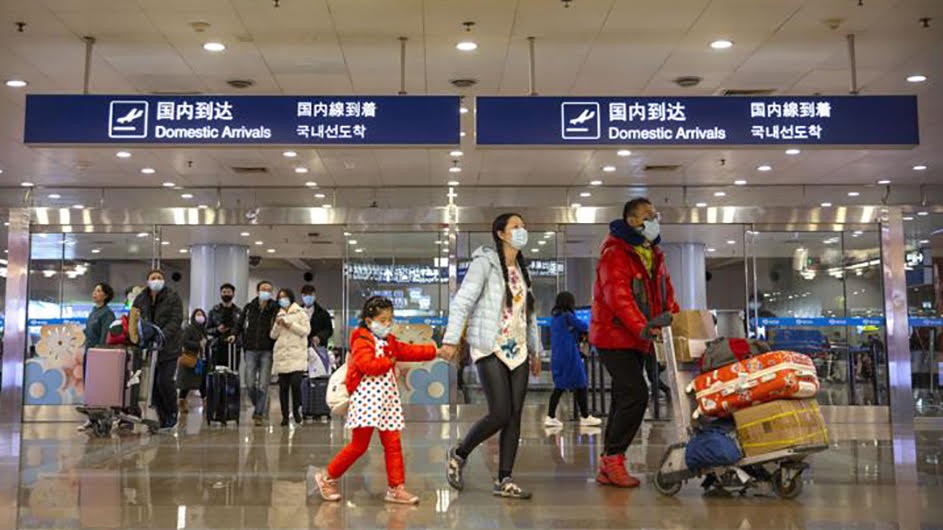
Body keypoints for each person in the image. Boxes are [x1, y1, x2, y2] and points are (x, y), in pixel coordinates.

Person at [441, 212, 542, 500]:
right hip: (489, 347)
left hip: (519, 349)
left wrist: (535, 350)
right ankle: (459, 454)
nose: (522, 230)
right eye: (516, 227)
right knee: (499, 412)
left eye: (524, 225)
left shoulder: (523, 270)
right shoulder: (484, 263)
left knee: (514, 416)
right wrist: (450, 340)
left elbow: (529, 314)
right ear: (501, 233)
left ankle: (505, 479)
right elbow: (463, 302)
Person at [314, 296, 447, 505]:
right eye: (383, 320)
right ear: (369, 321)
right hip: (366, 400)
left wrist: (436, 351)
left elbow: (409, 350)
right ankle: (326, 477)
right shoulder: (360, 340)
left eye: (390, 319)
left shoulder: (389, 341)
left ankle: (396, 488)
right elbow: (368, 365)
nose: (388, 324)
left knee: (393, 444)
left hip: (387, 401)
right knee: (359, 445)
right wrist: (389, 361)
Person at [590, 197, 678, 488]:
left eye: (656, 216)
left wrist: (677, 321)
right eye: (648, 216)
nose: (654, 221)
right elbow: (619, 298)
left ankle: (608, 462)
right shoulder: (615, 253)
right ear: (631, 220)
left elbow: (666, 294)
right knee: (636, 394)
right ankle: (614, 459)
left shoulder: (652, 252)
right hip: (614, 336)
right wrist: (644, 329)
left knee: (622, 397)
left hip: (637, 339)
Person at [133, 269, 184, 432]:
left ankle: (172, 412)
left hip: (169, 347)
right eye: (153, 278)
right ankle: (162, 418)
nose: (156, 280)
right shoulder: (141, 298)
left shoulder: (173, 297)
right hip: (149, 348)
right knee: (152, 385)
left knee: (165, 381)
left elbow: (176, 320)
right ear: (147, 281)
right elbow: (135, 318)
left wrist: (161, 335)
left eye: (160, 278)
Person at [544, 291, 602, 428]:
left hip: (558, 356)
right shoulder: (568, 316)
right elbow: (583, 326)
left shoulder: (555, 318)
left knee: (559, 386)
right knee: (580, 383)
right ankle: (585, 417)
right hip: (569, 355)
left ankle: (551, 416)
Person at [78, 282, 116, 432]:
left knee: (98, 387)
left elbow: (105, 336)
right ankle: (91, 418)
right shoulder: (93, 311)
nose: (95, 293)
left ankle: (102, 418)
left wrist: (100, 353)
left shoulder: (107, 313)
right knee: (89, 387)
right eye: (94, 290)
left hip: (99, 356)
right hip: (89, 353)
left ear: (105, 295)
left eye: (99, 291)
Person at [240, 281, 279, 426]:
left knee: (263, 384)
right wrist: (234, 334)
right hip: (250, 349)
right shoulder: (249, 307)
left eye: (269, 290)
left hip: (267, 350)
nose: (266, 292)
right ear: (257, 292)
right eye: (263, 289)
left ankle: (258, 413)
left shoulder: (275, 308)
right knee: (249, 383)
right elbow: (240, 324)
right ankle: (261, 405)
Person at [270, 288, 310, 427]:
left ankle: (297, 410)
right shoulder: (279, 314)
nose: (283, 299)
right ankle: (285, 416)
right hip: (282, 356)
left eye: (285, 297)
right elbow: (273, 335)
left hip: (297, 355)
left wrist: (290, 324)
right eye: (280, 297)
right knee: (283, 388)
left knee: (296, 384)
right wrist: (277, 324)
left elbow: (306, 331)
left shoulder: (300, 312)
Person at [177, 309, 207, 414]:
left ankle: (205, 401)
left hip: (200, 360)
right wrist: (198, 344)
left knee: (202, 381)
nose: (200, 317)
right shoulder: (189, 329)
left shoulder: (203, 330)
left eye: (202, 315)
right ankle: (181, 402)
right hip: (190, 358)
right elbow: (184, 341)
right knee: (186, 384)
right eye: (198, 314)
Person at [207, 283, 243, 368]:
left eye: (229, 292)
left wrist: (235, 336)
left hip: (233, 347)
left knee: (233, 372)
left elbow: (242, 329)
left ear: (233, 294)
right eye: (224, 292)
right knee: (217, 373)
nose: (226, 294)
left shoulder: (239, 312)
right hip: (217, 346)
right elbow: (207, 329)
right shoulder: (213, 311)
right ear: (220, 294)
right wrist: (217, 330)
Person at [300, 284, 334, 349]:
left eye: (310, 295)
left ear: (314, 296)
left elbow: (329, 330)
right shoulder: (297, 311)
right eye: (305, 295)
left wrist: (319, 337)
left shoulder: (323, 313)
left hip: (317, 348)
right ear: (302, 296)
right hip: (300, 347)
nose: (308, 297)